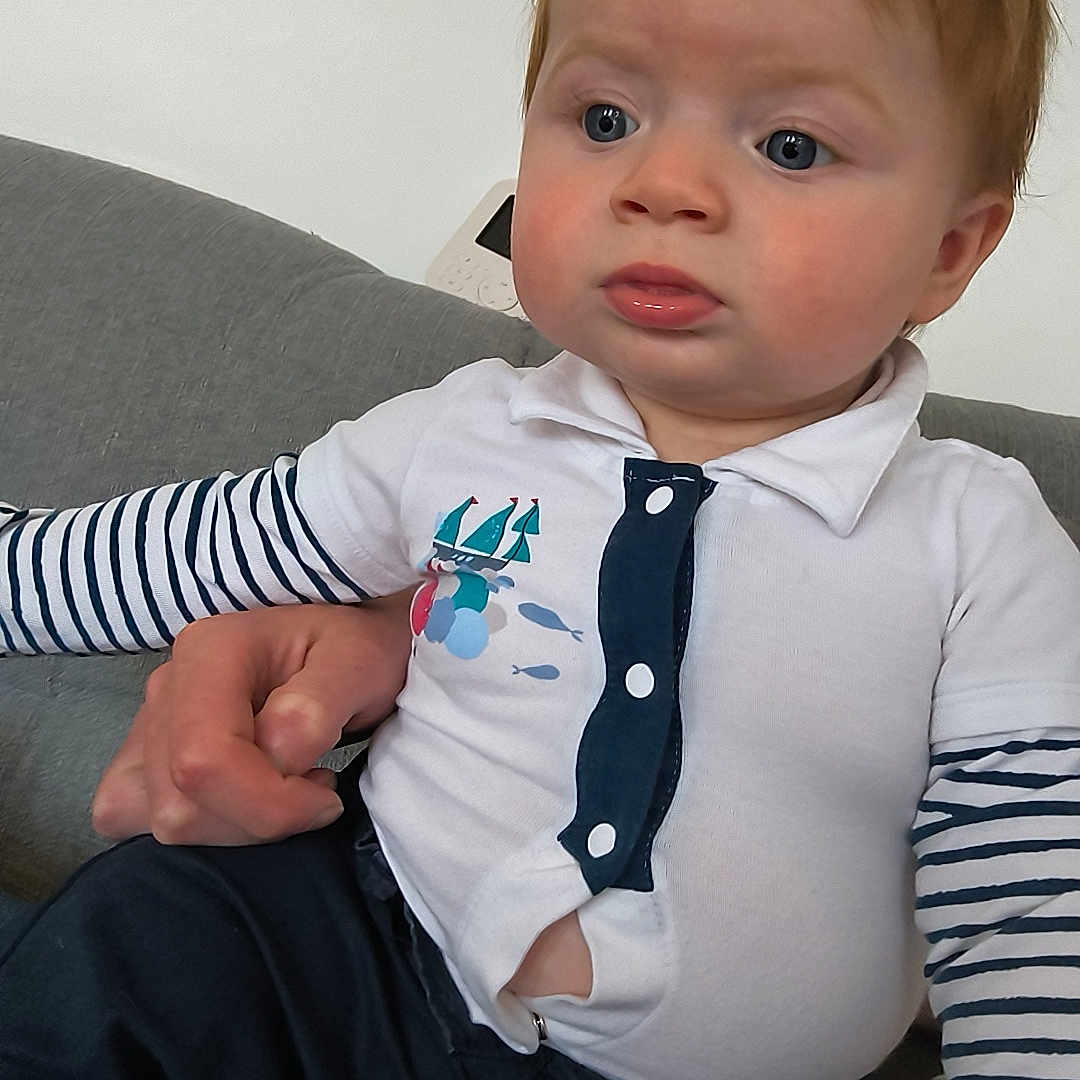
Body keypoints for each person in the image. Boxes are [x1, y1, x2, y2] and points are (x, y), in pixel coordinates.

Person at [0, 0, 1075, 1076]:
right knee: (153, 921)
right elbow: (197, 545)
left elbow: (1032, 911)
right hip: (355, 947)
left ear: (948, 250)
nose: (660, 185)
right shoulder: (459, 427)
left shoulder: (981, 539)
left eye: (790, 146)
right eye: (605, 119)